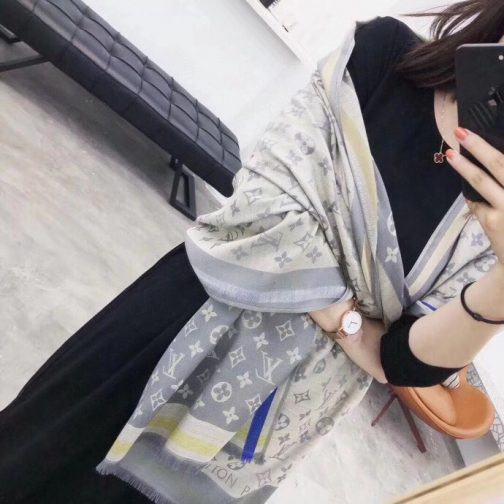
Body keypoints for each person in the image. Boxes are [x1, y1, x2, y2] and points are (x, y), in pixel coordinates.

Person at [1, 2, 504, 503]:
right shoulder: (384, 56)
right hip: (185, 316)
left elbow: (408, 363)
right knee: (34, 459)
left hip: (261, 425)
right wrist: (354, 326)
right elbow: (265, 203)